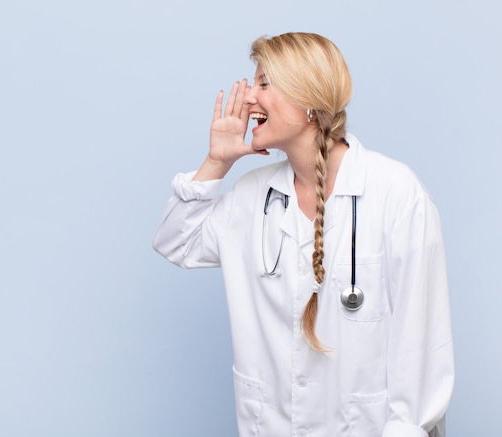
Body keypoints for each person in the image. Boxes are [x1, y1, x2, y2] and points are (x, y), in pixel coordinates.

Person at [152, 32, 454, 437]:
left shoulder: (397, 194)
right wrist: (216, 161)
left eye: (264, 83)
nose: (248, 99)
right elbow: (176, 241)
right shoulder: (252, 194)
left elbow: (421, 349)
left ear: (308, 99)